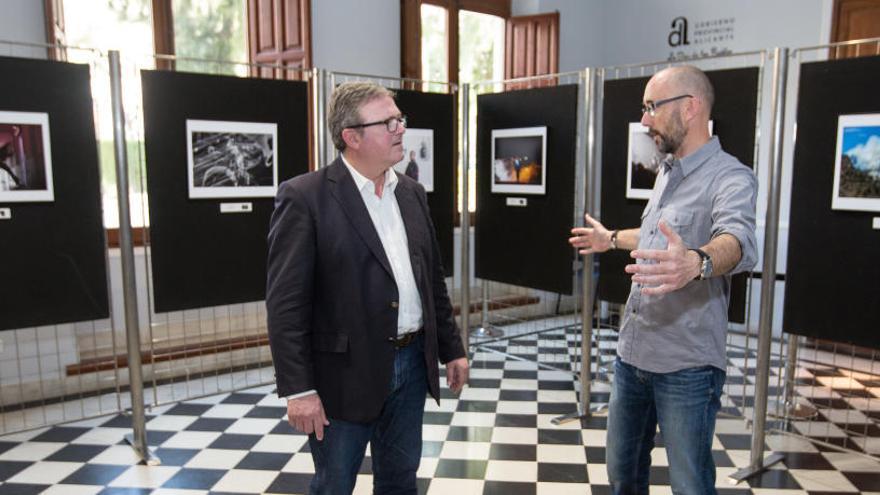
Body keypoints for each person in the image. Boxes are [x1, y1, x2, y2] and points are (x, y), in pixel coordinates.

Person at [266, 81, 469, 495]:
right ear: (351, 137)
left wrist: (452, 347)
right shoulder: (306, 198)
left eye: (400, 120)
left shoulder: (411, 193)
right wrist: (299, 390)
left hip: (412, 365)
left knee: (399, 480)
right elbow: (286, 306)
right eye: (388, 122)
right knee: (334, 484)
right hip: (342, 375)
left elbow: (430, 281)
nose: (400, 129)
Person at [569, 65, 757, 495]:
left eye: (653, 107)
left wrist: (697, 262)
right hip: (633, 357)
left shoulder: (731, 177)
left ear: (691, 108)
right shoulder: (668, 171)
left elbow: (738, 240)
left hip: (686, 366)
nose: (644, 119)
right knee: (622, 474)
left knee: (689, 483)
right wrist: (611, 238)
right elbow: (658, 233)